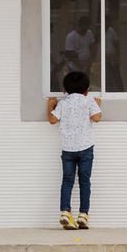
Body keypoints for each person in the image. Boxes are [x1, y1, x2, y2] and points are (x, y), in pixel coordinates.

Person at [47, 71, 102, 230]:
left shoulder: (63, 103)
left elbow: (52, 120)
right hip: (86, 148)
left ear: (65, 90)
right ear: (87, 90)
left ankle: (65, 212)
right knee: (85, 181)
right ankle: (83, 215)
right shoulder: (89, 101)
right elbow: (97, 118)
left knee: (67, 181)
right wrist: (98, 105)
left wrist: (50, 105)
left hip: (68, 149)